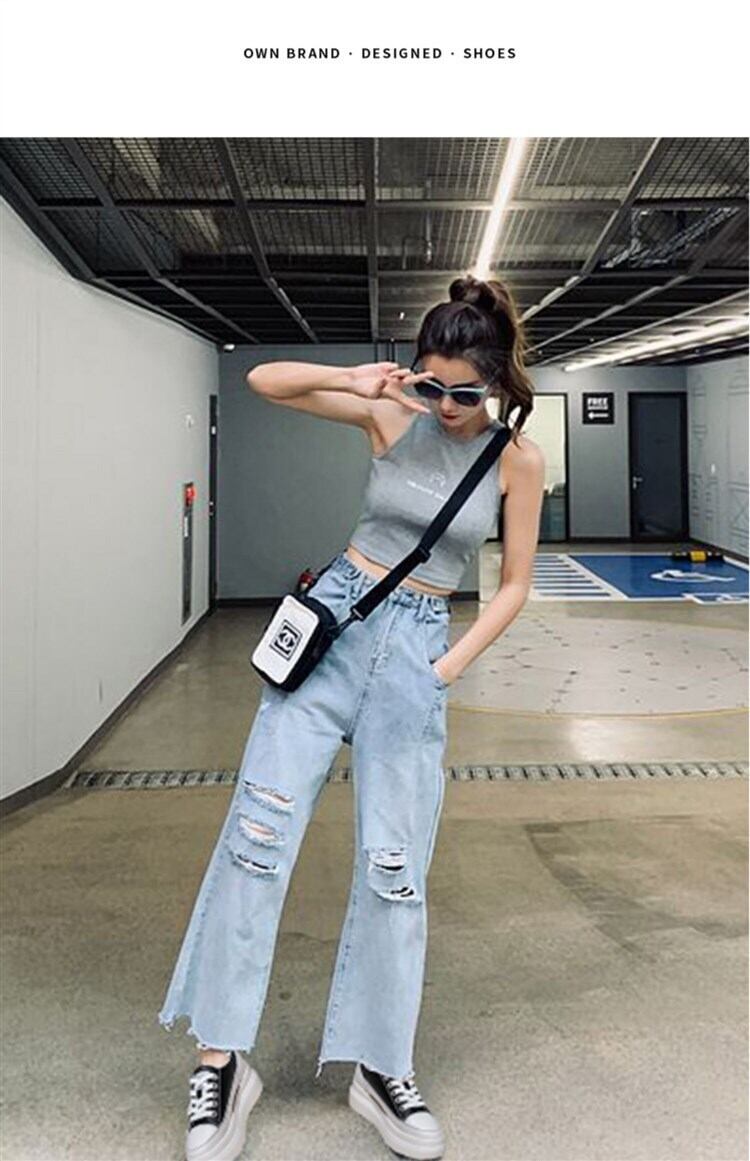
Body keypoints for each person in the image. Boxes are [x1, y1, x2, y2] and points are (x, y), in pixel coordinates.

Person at [157, 274, 545, 1161]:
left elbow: (515, 583)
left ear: (495, 380)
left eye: (465, 392)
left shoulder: (517, 459)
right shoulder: (393, 414)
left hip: (416, 653)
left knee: (394, 867)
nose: (446, 406)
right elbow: (265, 382)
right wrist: (358, 379)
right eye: (433, 385)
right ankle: (221, 1060)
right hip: (334, 628)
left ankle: (382, 1065)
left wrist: (443, 668)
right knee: (256, 836)